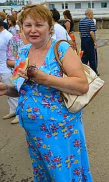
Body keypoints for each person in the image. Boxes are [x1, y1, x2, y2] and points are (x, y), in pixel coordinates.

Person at [0, 4, 93, 181]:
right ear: (21, 27)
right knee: (44, 173)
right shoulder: (23, 52)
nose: (32, 30)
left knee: (64, 174)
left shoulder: (61, 49)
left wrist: (44, 78)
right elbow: (25, 90)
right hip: (33, 130)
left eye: (38, 25)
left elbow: (82, 85)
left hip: (61, 129)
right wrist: (8, 90)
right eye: (28, 25)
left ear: (49, 27)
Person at [0, 19, 19, 124]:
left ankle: (19, 114)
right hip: (1, 67)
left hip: (7, 68)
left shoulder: (7, 35)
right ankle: (12, 110)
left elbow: (15, 51)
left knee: (12, 89)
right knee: (6, 91)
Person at [79, 9, 98, 75]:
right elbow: (91, 32)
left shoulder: (81, 21)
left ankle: (83, 71)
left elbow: (80, 33)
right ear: (90, 14)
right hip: (89, 40)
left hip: (83, 40)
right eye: (92, 14)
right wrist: (95, 41)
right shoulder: (91, 21)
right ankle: (94, 72)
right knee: (92, 57)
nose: (93, 15)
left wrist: (82, 39)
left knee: (84, 57)